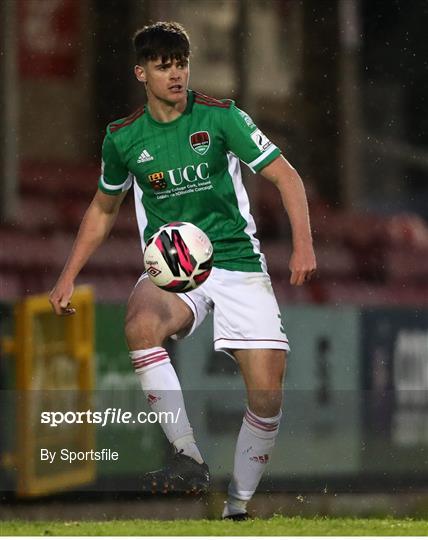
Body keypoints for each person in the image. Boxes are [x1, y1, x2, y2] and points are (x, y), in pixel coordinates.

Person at [49, 21, 316, 520]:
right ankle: (186, 455)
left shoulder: (221, 118)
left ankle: (236, 508)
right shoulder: (124, 138)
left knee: (265, 394)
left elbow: (286, 176)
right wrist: (68, 275)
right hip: (176, 267)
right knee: (139, 324)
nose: (175, 75)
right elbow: (103, 209)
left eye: (180, 64)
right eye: (162, 66)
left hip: (235, 260)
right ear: (141, 73)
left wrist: (302, 245)